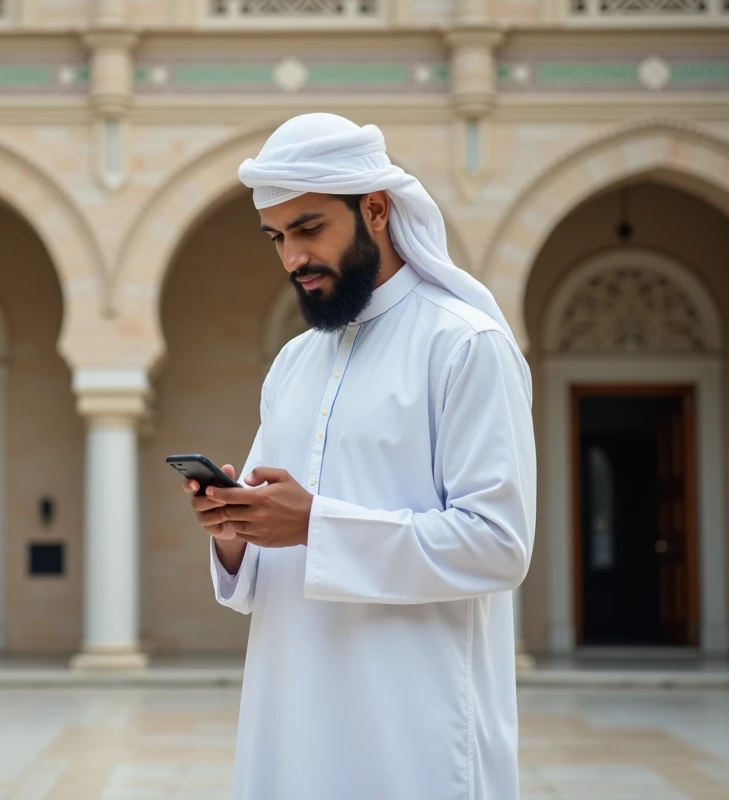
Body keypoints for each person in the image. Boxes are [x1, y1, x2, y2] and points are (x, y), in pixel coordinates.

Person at [183, 113, 536, 800]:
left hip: (415, 732)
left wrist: (314, 523)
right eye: (277, 237)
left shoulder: (463, 345)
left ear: (375, 209)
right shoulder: (293, 364)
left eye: (309, 228)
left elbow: (498, 547)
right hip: (292, 722)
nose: (292, 258)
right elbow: (269, 564)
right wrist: (235, 532)